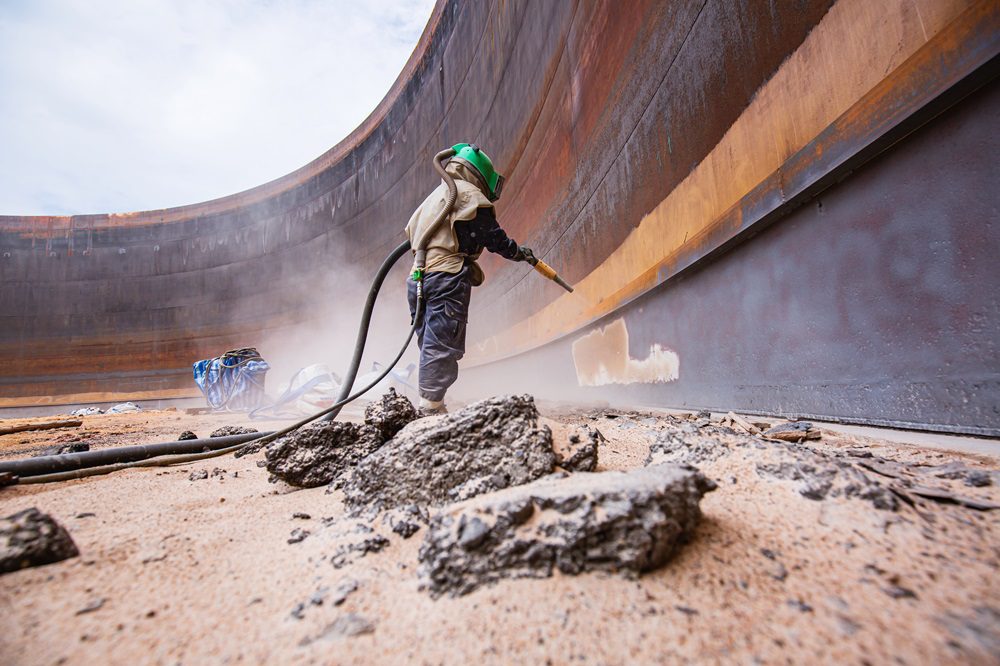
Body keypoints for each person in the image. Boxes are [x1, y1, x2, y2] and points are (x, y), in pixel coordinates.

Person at [404, 143, 533, 415]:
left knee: (429, 339)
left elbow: (413, 236)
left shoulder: (437, 197)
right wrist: (518, 252)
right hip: (446, 277)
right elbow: (492, 237)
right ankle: (430, 408)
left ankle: (430, 401)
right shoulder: (470, 197)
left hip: (418, 278)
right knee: (442, 341)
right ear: (481, 176)